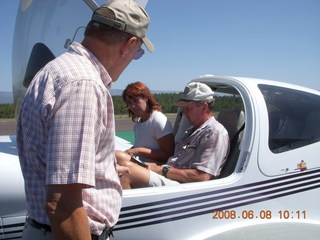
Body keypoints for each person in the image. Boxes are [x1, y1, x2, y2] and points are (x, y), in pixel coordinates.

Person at [16, 0, 154, 239]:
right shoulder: (84, 85)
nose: (134, 58)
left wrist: (104, 170)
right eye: (138, 52)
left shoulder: (55, 70)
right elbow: (62, 204)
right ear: (129, 44)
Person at [117, 82, 230, 189]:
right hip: (170, 173)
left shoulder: (214, 133)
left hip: (181, 185)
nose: (184, 113)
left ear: (204, 107)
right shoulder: (192, 130)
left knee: (125, 171)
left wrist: (161, 170)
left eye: (188, 108)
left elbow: (202, 177)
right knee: (118, 158)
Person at [117, 81, 174, 164]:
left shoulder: (158, 120)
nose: (133, 106)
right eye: (129, 103)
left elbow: (169, 155)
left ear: (146, 98)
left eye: (136, 101)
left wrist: (139, 151)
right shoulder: (138, 124)